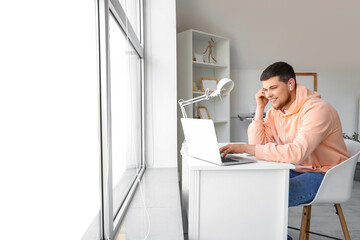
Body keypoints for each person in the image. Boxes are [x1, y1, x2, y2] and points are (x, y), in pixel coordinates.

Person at [219, 62, 349, 238]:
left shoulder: (317, 110)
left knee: (266, 197)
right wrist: (260, 109)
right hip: (295, 169)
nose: (268, 94)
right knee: (250, 191)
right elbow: (259, 144)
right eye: (265, 89)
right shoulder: (276, 111)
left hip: (325, 175)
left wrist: (244, 148)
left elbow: (295, 153)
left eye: (273, 88)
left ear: (290, 84)